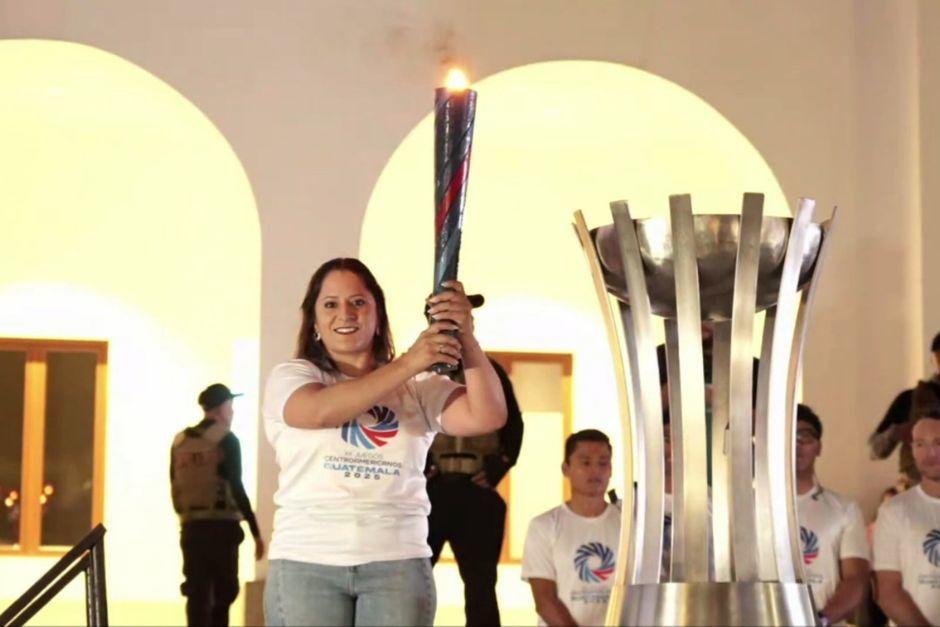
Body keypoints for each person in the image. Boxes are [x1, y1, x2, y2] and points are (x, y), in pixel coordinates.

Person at [261, 257, 507, 627]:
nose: (345, 313)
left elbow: (486, 416)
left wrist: (466, 337)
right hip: (306, 562)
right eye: (330, 304)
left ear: (378, 315)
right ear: (314, 322)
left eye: (358, 302)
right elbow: (317, 412)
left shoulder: (420, 389)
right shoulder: (293, 376)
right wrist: (411, 361)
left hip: (397, 564)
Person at [426, 356, 524, 627]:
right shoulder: (420, 370)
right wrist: (420, 468)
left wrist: (498, 469)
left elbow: (514, 423)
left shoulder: (489, 371)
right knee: (415, 580)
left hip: (476, 492)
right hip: (429, 494)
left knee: (481, 583)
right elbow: (406, 419)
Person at [170, 383, 265, 627]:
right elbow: (236, 485)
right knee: (223, 594)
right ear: (222, 408)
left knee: (196, 592)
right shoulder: (227, 439)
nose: (232, 412)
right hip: (222, 529)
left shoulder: (180, 441)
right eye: (230, 406)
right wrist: (255, 532)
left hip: (191, 528)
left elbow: (173, 483)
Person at [521, 429, 620, 627]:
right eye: (585, 462)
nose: (595, 471)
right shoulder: (544, 526)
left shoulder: (628, 523)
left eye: (603, 463)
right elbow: (545, 600)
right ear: (566, 468)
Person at [793, 404, 870, 626]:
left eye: (805, 437)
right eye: (789, 437)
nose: (797, 446)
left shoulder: (844, 509)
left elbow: (856, 579)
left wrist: (821, 620)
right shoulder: (755, 507)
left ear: (819, 447)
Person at [873, 405, 940, 626]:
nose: (930, 453)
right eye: (920, 444)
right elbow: (888, 591)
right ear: (912, 450)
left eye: (939, 443)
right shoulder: (894, 511)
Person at [869, 331, 940, 484]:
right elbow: (875, 451)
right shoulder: (909, 399)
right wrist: (897, 431)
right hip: (920, 493)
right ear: (933, 359)